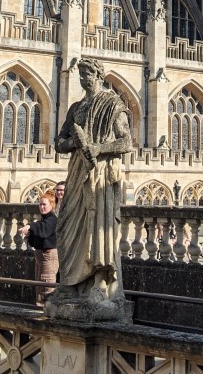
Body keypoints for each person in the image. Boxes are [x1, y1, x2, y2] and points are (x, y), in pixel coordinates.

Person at [50, 57, 132, 315]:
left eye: (87, 74)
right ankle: (71, 282)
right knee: (66, 225)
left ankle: (99, 282)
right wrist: (75, 143)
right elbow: (59, 142)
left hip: (102, 174)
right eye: (81, 75)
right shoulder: (76, 108)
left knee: (98, 227)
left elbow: (126, 142)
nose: (83, 79)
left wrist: (97, 148)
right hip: (77, 172)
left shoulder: (112, 104)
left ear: (98, 76)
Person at [19, 190, 58, 306]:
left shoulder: (52, 219)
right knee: (40, 284)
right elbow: (37, 240)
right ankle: (40, 306)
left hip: (48, 256)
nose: (41, 207)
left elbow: (44, 230)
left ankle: (46, 309)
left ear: (51, 205)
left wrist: (30, 226)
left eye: (44, 204)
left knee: (47, 284)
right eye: (40, 204)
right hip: (41, 256)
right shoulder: (44, 219)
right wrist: (30, 234)